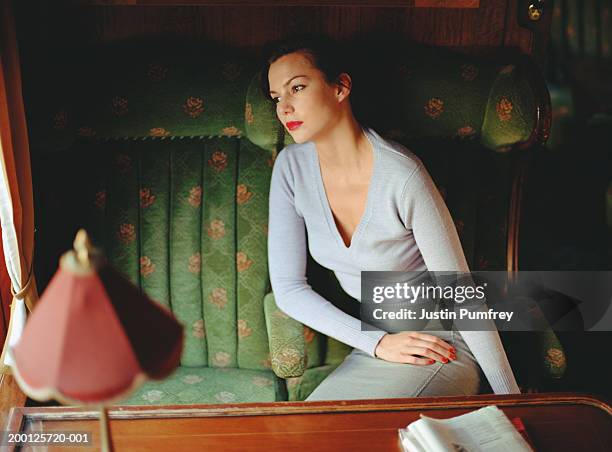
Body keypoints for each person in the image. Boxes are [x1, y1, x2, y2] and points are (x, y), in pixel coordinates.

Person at [264, 34, 520, 400]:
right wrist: (376, 342)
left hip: (440, 344)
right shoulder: (291, 168)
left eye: (297, 88)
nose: (284, 108)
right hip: (379, 345)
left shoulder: (402, 176)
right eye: (276, 98)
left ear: (341, 87)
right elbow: (288, 289)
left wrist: (512, 400)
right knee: (308, 433)